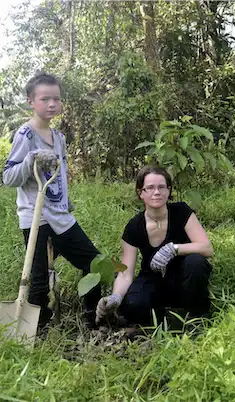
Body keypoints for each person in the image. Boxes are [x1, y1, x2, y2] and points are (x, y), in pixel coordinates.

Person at [2, 72, 101, 328]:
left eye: (56, 99)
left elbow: (61, 173)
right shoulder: (26, 135)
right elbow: (9, 177)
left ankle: (93, 320)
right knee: (38, 282)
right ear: (30, 102)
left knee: (94, 264)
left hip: (61, 216)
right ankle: (36, 335)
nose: (51, 104)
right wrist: (30, 160)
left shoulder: (59, 138)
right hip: (35, 218)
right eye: (44, 99)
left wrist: (65, 200)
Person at [95, 165, 213, 326]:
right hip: (153, 279)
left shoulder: (181, 212)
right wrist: (116, 296)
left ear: (169, 190)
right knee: (132, 304)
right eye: (150, 188)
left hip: (183, 278)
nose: (156, 192)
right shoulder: (134, 226)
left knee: (196, 262)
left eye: (161, 187)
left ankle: (198, 317)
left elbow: (206, 248)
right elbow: (125, 273)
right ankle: (158, 316)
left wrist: (174, 249)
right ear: (140, 192)